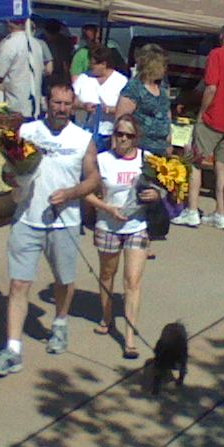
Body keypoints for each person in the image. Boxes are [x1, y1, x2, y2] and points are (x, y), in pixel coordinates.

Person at [0, 83, 99, 377]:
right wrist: (10, 177)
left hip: (64, 222)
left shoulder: (83, 139)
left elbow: (93, 180)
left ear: (73, 106)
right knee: (19, 284)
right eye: (56, 103)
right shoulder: (28, 131)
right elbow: (8, 168)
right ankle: (12, 350)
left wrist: (73, 192)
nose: (61, 109)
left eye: (66, 104)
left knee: (64, 279)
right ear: (47, 103)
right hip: (26, 219)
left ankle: (60, 322)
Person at [84, 113, 161, 359]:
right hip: (108, 226)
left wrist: (156, 196)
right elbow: (87, 193)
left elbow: (162, 187)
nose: (123, 139)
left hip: (137, 226)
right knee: (107, 274)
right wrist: (107, 208)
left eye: (129, 135)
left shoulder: (146, 160)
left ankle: (129, 337)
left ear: (136, 138)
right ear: (113, 135)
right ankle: (107, 317)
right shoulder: (102, 160)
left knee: (132, 282)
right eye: (119, 134)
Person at [175, 23, 224, 230]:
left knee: (196, 163)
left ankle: (192, 210)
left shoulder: (216, 55)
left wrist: (202, 110)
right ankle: (220, 212)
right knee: (222, 166)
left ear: (221, 35)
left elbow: (211, 87)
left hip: (213, 117)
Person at [116, 43, 172, 156]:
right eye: (163, 65)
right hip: (140, 150)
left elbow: (167, 115)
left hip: (162, 151)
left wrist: (169, 142)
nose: (166, 69)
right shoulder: (134, 88)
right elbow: (121, 120)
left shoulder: (162, 88)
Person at [0, 18, 45, 120]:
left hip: (15, 108)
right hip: (34, 107)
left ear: (9, 22)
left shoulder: (10, 43)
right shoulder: (36, 44)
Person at [72, 45, 128, 148]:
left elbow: (127, 109)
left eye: (93, 64)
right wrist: (83, 106)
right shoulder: (84, 77)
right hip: (85, 132)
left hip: (109, 134)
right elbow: (72, 101)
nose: (90, 66)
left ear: (103, 64)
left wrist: (107, 110)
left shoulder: (121, 81)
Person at [42, 19, 75, 83]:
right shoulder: (40, 42)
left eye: (54, 34)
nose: (52, 37)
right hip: (44, 75)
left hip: (59, 76)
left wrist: (66, 79)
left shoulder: (64, 42)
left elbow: (66, 62)